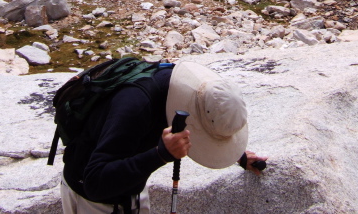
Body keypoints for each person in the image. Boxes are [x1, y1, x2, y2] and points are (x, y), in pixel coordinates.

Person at [61, 61, 268, 214]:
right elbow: (95, 183)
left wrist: (237, 156)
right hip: (91, 199)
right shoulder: (135, 106)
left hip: (128, 189)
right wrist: (160, 154)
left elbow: (195, 125)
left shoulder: (183, 88)